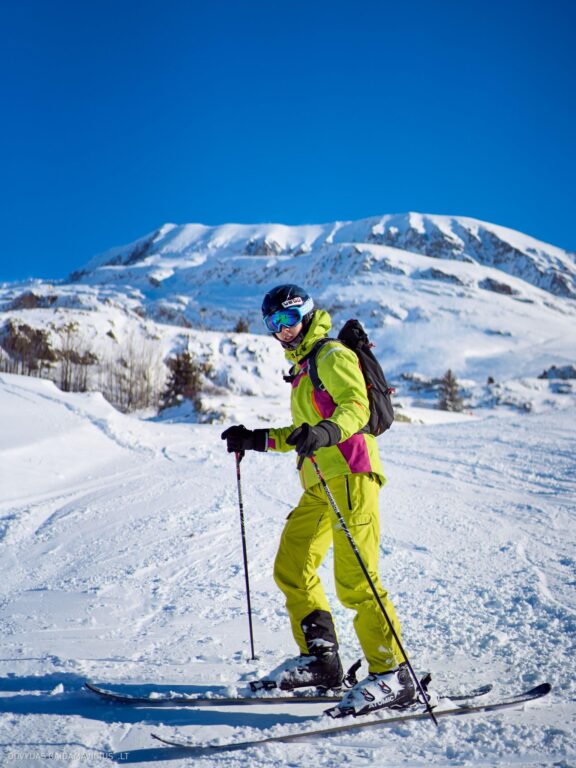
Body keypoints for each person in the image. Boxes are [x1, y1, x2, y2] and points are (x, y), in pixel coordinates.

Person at [221, 283, 415, 715]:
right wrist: (255, 439)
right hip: (319, 484)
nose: (282, 330)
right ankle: (321, 660)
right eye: (273, 323)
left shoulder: (331, 356)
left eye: (289, 320)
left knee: (355, 579)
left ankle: (393, 674)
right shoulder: (305, 369)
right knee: (292, 566)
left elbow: (355, 408)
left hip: (351, 474)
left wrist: (325, 432)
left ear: (307, 315)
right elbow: (303, 434)